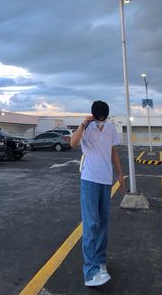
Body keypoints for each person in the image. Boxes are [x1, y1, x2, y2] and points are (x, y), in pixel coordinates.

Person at [70, 100, 125, 287]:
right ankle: (90, 271)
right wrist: (84, 124)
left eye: (103, 118)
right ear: (94, 115)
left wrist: (120, 174)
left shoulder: (110, 128)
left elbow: (113, 153)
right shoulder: (87, 128)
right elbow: (72, 143)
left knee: (102, 222)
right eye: (99, 117)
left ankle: (100, 262)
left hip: (105, 180)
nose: (102, 120)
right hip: (89, 179)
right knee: (91, 223)